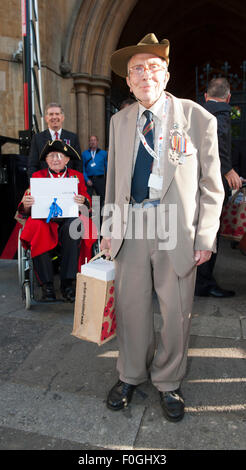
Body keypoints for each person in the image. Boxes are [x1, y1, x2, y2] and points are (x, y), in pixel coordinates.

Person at [100, 33, 224, 422]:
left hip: (178, 229)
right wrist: (108, 228)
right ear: (129, 81)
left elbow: (211, 184)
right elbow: (114, 180)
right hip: (132, 224)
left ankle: (169, 382)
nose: (145, 75)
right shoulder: (120, 121)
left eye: (153, 67)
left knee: (176, 311)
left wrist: (205, 236)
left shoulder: (197, 117)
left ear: (166, 75)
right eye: (137, 69)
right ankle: (131, 374)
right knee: (131, 306)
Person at [19, 139, 92, 302]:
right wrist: (26, 204)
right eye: (51, 155)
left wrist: (83, 201)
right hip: (45, 221)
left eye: (60, 155)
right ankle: (47, 285)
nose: (56, 159)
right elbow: (25, 205)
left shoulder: (77, 176)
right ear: (46, 160)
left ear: (67, 159)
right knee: (38, 227)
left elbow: (87, 201)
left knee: (74, 226)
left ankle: (67, 283)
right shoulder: (38, 176)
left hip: (69, 219)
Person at [195, 77, 242, 298]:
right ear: (229, 97)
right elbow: (219, 138)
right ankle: (204, 283)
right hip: (211, 185)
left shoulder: (196, 111)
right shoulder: (221, 112)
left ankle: (196, 279)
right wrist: (228, 169)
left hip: (194, 184)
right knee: (210, 231)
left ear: (205, 96)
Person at [28, 102, 83, 178]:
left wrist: (76, 183)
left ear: (62, 117)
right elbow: (32, 165)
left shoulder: (73, 137)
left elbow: (78, 164)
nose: (54, 117)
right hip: (45, 183)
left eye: (57, 114)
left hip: (68, 184)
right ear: (46, 118)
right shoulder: (37, 138)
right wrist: (36, 184)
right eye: (51, 114)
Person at [82, 135, 107, 206]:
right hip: (89, 179)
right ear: (89, 142)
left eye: (94, 140)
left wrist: (107, 180)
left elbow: (107, 167)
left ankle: (101, 216)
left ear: (97, 142)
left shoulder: (104, 153)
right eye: (91, 140)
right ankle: (89, 215)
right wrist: (86, 179)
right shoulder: (84, 154)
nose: (93, 142)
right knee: (87, 198)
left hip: (100, 179)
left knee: (102, 198)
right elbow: (82, 168)